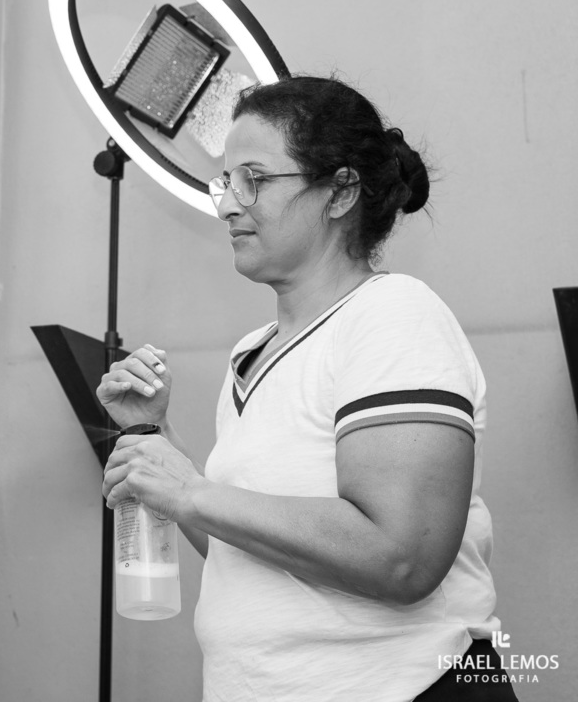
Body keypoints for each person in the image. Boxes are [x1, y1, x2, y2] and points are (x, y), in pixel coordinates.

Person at [99, 76, 514, 701]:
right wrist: (158, 438)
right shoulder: (251, 352)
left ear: (340, 190)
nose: (226, 204)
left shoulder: (393, 315)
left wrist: (190, 489)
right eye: (224, 182)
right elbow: (247, 550)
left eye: (253, 180)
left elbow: (401, 556)